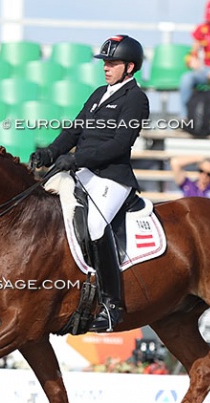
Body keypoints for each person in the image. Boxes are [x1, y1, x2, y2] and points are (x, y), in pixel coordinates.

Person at [28, 35, 149, 333]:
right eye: (105, 63)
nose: (106, 68)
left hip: (112, 177)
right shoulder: (98, 94)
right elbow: (74, 130)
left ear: (130, 67)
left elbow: (121, 144)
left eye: (113, 63)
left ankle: (111, 305)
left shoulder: (136, 99)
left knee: (95, 226)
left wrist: (78, 158)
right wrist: (52, 152)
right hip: (83, 170)